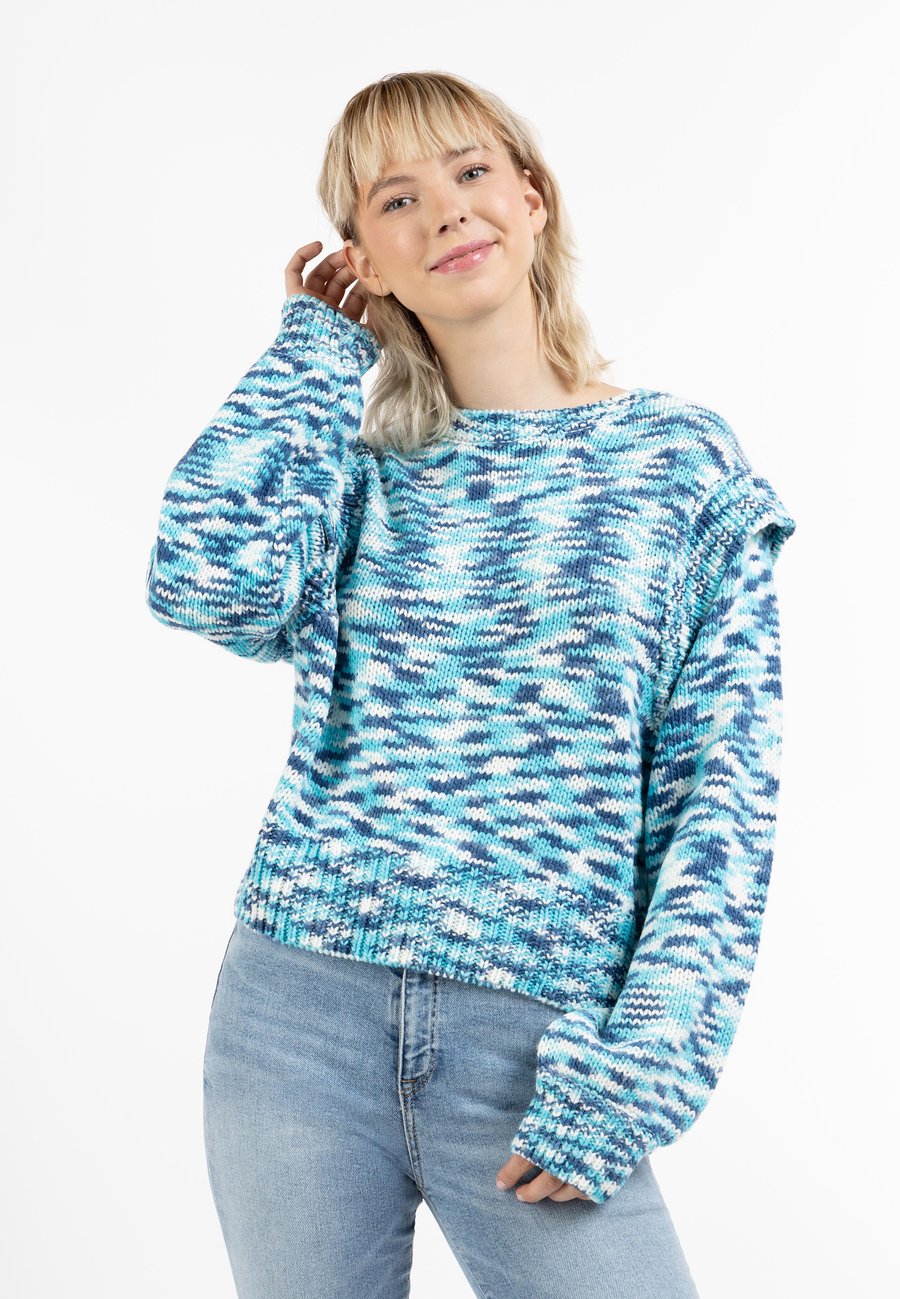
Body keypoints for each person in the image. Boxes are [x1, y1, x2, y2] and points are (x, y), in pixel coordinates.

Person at [145, 70, 796, 1299]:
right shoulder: (360, 474)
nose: (444, 209)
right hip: (295, 1014)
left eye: (471, 171)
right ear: (364, 262)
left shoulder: (679, 465)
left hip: (540, 1045)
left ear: (532, 199)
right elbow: (203, 581)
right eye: (396, 198)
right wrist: (312, 352)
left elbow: (722, 801)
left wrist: (643, 1070)